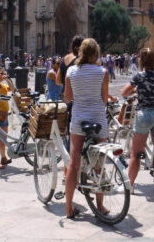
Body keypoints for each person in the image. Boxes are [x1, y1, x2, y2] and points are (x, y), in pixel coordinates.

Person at [64, 38, 110, 219]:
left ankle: (68, 207)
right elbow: (104, 99)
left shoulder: (71, 72)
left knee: (73, 164)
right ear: (96, 53)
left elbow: (68, 98)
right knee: (100, 164)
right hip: (98, 118)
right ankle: (100, 205)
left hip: (78, 119)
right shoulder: (102, 72)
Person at [121, 48, 154, 186]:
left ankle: (130, 185)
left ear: (141, 61)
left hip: (143, 114)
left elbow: (124, 92)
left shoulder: (139, 76)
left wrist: (135, 90)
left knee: (136, 154)